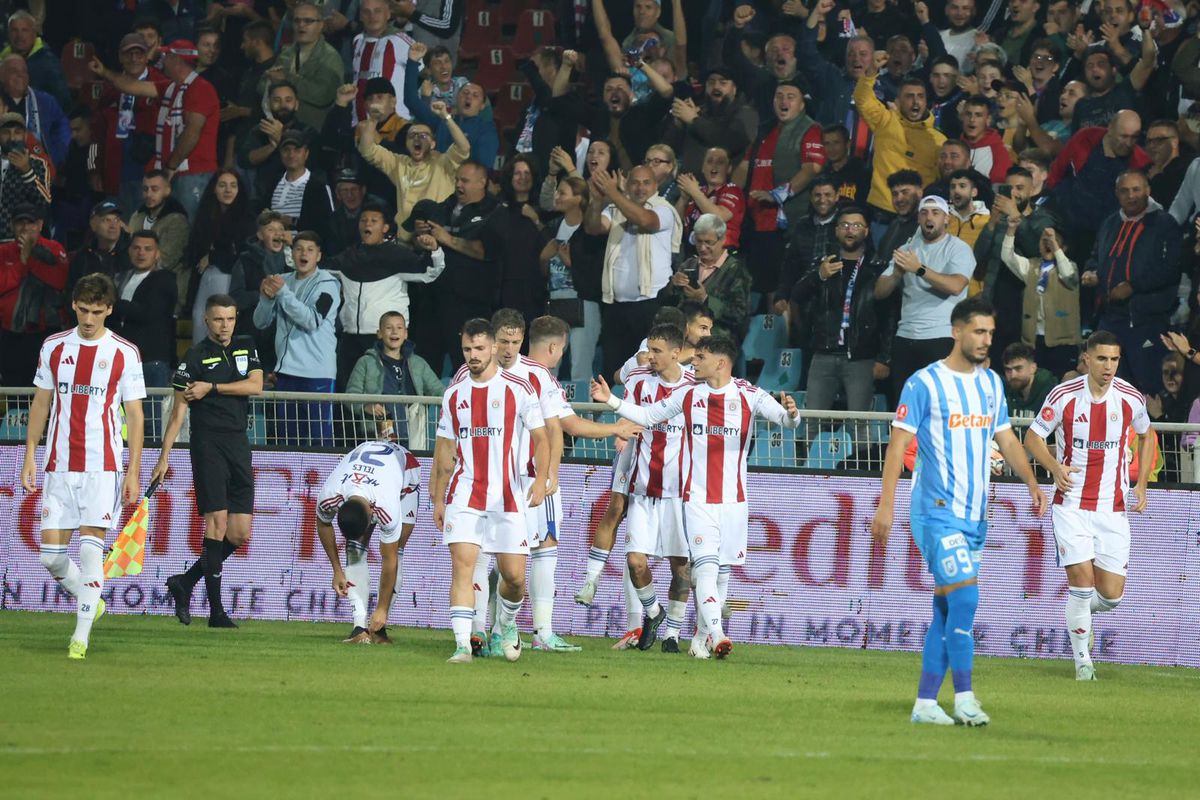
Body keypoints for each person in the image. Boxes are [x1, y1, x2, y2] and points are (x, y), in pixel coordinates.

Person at [872, 297, 1047, 726]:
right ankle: (965, 698)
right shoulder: (924, 383)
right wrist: (886, 503)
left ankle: (925, 704)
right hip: (935, 511)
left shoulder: (990, 384)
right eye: (978, 332)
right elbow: (897, 446)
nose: (986, 340)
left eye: (990, 332)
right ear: (956, 331)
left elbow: (1005, 438)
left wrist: (1030, 480)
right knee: (966, 598)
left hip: (975, 516)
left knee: (947, 609)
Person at [591, 335, 801, 657]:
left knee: (722, 572)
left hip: (734, 501)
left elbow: (785, 421)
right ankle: (717, 634)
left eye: (700, 357)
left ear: (720, 362)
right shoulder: (688, 395)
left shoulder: (748, 394)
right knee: (704, 567)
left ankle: (700, 639)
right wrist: (611, 401)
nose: (693, 363)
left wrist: (793, 415)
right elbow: (648, 417)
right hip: (697, 500)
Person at [469, 311, 639, 654]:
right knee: (489, 557)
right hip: (493, 479)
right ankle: (481, 632)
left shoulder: (536, 376)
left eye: (514, 342)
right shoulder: (475, 374)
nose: (507, 349)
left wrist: (552, 474)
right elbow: (568, 426)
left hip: (532, 479)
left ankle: (536, 632)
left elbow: (559, 428)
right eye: (502, 341)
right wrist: (615, 429)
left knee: (539, 550)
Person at [21, 273, 145, 659]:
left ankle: (81, 636)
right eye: (83, 310)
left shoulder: (124, 352)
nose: (89, 319)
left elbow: (136, 415)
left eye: (97, 311)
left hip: (102, 466)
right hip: (58, 464)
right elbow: (41, 403)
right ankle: (91, 598)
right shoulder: (54, 347)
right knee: (51, 556)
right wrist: (29, 453)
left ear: (109, 309)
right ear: (74, 305)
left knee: (92, 552)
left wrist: (134, 470)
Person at [1024, 330, 1153, 681]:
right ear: (1086, 358)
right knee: (1081, 586)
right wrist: (1054, 468)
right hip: (1071, 506)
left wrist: (1141, 484)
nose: (1108, 366)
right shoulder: (1064, 395)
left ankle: (1082, 613)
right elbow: (1033, 436)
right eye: (1101, 359)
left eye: (1114, 359)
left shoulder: (1129, 397)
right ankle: (1084, 664)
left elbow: (1148, 434)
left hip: (1113, 509)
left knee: (1110, 597)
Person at [430, 318, 549, 663]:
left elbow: (542, 438)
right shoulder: (453, 395)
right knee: (463, 566)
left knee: (513, 578)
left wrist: (541, 479)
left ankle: (507, 623)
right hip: (465, 494)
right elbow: (443, 449)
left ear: (494, 348)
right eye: (467, 349)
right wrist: (438, 496)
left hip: (509, 496)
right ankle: (462, 645)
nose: (473, 355)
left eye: (480, 348)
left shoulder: (518, 389)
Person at [157, 294, 262, 628]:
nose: (225, 326)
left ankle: (184, 582)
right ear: (206, 321)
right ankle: (216, 612)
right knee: (216, 521)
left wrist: (211, 388)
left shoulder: (246, 347)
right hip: (207, 444)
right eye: (218, 319)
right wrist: (163, 457)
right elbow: (177, 414)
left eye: (230, 319)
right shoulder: (194, 357)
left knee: (240, 532)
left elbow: (256, 386)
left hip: (238, 443)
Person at [613, 322, 696, 652]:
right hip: (643, 488)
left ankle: (672, 634)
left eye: (657, 351)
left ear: (676, 353)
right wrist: (621, 429)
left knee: (681, 566)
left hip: (680, 493)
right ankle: (654, 612)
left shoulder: (694, 387)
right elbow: (629, 418)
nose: (649, 356)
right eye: (648, 349)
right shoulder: (637, 381)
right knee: (635, 560)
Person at [793, 206, 888, 448]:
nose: (850, 229)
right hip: (823, 353)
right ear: (836, 231)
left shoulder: (876, 268)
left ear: (866, 231)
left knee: (860, 423)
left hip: (861, 357)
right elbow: (797, 295)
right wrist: (819, 275)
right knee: (811, 419)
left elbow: (889, 316)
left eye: (856, 225)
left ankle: (861, 478)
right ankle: (801, 474)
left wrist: (885, 358)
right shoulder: (824, 263)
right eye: (845, 224)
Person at [325, 201, 446, 387]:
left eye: (373, 220)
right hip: (350, 339)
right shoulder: (348, 257)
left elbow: (430, 272)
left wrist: (435, 250)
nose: (367, 224)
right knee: (347, 399)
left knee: (384, 399)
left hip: (384, 341)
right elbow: (315, 267)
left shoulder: (397, 256)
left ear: (385, 227)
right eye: (364, 220)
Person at [1081, 170, 1181, 393]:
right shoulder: (1109, 223)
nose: (1131, 195)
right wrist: (1091, 271)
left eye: (1136, 189)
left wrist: (1133, 285)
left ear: (1148, 191)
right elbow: (1095, 255)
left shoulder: (1164, 224)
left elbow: (1171, 269)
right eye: (1125, 191)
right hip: (1109, 318)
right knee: (1107, 387)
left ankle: (1152, 429)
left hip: (1145, 320)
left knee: (1148, 386)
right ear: (1117, 193)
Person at [315, 439, 422, 645]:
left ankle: (379, 628)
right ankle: (359, 628)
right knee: (354, 548)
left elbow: (389, 561)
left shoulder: (386, 508)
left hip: (406, 472)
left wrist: (381, 608)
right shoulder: (330, 494)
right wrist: (337, 569)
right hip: (365, 464)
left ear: (372, 516)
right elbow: (323, 524)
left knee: (396, 550)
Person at [874, 195, 975, 402]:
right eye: (924, 212)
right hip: (906, 337)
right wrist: (896, 275)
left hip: (942, 337)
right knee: (906, 407)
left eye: (935, 213)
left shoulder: (959, 248)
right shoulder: (906, 250)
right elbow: (879, 292)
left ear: (946, 219)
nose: (929, 217)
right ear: (918, 219)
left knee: (942, 404)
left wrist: (919, 269)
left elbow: (956, 286)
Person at [585, 165, 681, 382]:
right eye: (635, 182)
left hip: (650, 304)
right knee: (614, 368)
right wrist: (597, 200)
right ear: (627, 184)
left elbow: (645, 220)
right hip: (616, 305)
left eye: (646, 182)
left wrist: (613, 193)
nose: (640, 187)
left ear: (656, 186)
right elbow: (593, 228)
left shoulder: (663, 209)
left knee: (650, 367)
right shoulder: (616, 207)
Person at [253, 232, 342, 447]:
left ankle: (320, 481)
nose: (304, 254)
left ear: (319, 256)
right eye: (299, 248)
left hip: (317, 375)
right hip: (286, 374)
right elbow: (260, 322)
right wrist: (265, 298)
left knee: (318, 441)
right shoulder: (284, 281)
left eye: (310, 249)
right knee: (288, 441)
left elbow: (312, 320)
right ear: (292, 253)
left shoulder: (329, 284)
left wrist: (282, 293)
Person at [357, 97, 469, 240]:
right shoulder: (398, 163)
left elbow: (464, 147)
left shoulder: (444, 163)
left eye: (423, 135)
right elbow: (366, 149)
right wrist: (373, 119)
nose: (417, 138)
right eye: (412, 135)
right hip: (406, 242)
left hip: (438, 239)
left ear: (433, 144)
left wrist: (445, 116)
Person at [855, 53, 946, 222]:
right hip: (881, 213)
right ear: (898, 101)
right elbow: (862, 99)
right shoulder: (886, 121)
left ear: (927, 102)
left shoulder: (938, 141)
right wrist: (871, 72)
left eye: (920, 96)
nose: (916, 102)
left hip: (917, 217)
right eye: (909, 96)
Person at [345, 310, 444, 447]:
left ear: (406, 334)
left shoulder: (418, 363)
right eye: (388, 327)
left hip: (413, 436)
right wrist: (366, 407)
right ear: (379, 333)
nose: (394, 332)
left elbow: (439, 391)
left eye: (399, 327)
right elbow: (350, 396)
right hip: (376, 435)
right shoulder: (366, 362)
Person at [540, 175, 605, 382]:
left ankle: (583, 410)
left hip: (584, 302)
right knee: (549, 367)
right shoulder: (552, 226)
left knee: (581, 367)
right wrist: (543, 258)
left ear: (579, 198)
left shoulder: (591, 230)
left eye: (563, 193)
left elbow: (598, 270)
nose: (557, 197)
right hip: (555, 301)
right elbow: (544, 273)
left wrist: (571, 262)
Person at [999, 223, 1080, 378]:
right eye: (1044, 240)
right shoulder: (1031, 266)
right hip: (1033, 342)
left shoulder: (1070, 267)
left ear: (1063, 248)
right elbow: (1007, 256)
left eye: (1052, 240)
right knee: (1036, 385)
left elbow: (1069, 276)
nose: (1047, 243)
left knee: (1062, 384)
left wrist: (1054, 246)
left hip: (1063, 344)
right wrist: (1011, 229)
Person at [0, 204, 69, 386]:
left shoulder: (53, 248)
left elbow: (59, 281)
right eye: (19, 223)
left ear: (40, 224)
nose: (25, 228)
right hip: (9, 332)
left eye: (30, 223)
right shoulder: (4, 251)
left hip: (45, 331)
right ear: (12, 226)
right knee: (12, 385)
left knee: (43, 385)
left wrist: (30, 257)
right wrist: (22, 262)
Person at [184, 169, 255, 344]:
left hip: (229, 278)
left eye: (233, 185)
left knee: (219, 320)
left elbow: (243, 256)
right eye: (222, 185)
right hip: (206, 276)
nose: (228, 190)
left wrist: (214, 257)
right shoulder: (206, 215)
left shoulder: (246, 218)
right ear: (214, 189)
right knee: (200, 317)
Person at [657, 213, 751, 343]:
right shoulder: (688, 265)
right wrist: (673, 286)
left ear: (723, 239)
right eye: (699, 241)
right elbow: (664, 304)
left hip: (717, 343)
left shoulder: (736, 270)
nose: (702, 248)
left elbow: (739, 314)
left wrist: (705, 299)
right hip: (683, 340)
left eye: (708, 242)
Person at [111, 231, 178, 395]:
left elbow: (148, 314)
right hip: (122, 359)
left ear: (157, 254)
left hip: (151, 360)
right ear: (129, 251)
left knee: (151, 417)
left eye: (148, 249)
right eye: (136, 248)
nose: (141, 253)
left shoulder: (165, 279)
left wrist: (112, 303)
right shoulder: (121, 278)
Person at [272, 2, 344, 129]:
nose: (301, 25)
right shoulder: (286, 53)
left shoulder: (331, 57)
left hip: (313, 132)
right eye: (297, 20)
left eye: (308, 21)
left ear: (321, 25)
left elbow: (323, 95)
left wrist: (286, 80)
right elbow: (263, 84)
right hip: (280, 127)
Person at [129, 169, 190, 309]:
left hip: (168, 287)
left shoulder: (177, 220)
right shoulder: (137, 216)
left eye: (155, 189)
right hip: (136, 281)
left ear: (167, 191)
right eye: (145, 189)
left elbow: (167, 259)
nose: (149, 194)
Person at [351, 0, 415, 124]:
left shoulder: (400, 40)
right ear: (360, 16)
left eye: (377, 11)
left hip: (394, 126)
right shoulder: (357, 41)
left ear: (388, 14)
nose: (372, 16)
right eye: (366, 12)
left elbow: (425, 72)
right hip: (360, 125)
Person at [0, 53, 69, 167]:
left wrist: (54, 157)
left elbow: (63, 129)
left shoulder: (45, 101)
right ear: (1, 76)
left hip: (37, 169)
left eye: (24, 71)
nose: (20, 75)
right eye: (13, 71)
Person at [0, 111, 52, 240]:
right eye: (6, 132)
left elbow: (44, 202)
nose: (12, 138)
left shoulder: (38, 163)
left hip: (20, 240)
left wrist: (26, 170)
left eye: (17, 132)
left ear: (25, 136)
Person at [1000, 341, 1057, 416]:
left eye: (1018, 368)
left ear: (1033, 368)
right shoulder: (1004, 391)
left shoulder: (1052, 394)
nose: (1013, 375)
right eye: (1008, 370)